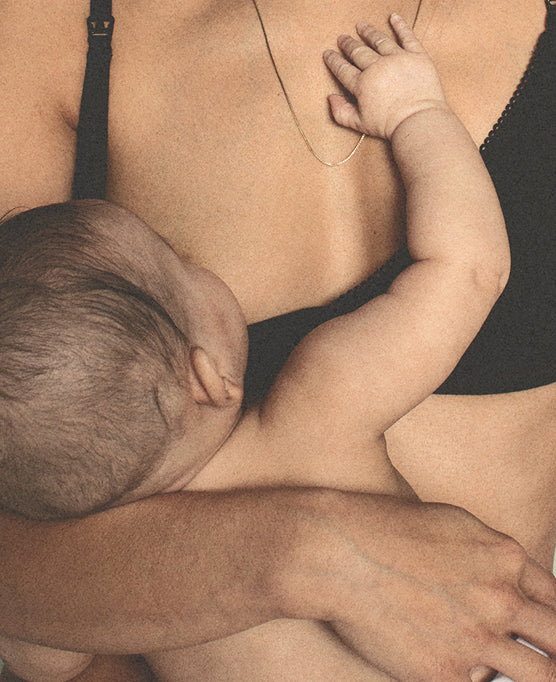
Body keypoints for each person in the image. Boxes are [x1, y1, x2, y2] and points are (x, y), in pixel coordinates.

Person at [0, 0, 554, 680]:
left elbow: (36, 638)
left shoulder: (110, 540)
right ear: (206, 375)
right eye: (183, 263)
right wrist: (418, 114)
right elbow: (468, 268)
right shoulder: (315, 408)